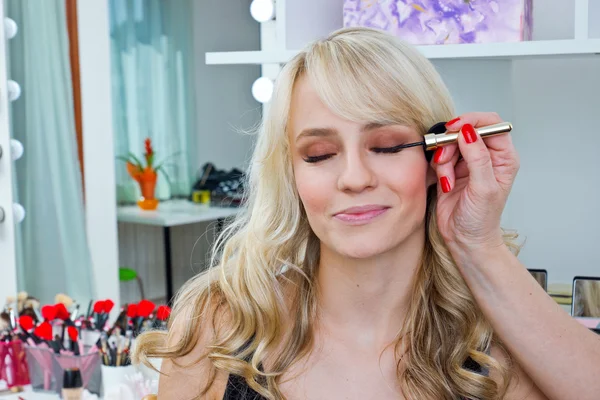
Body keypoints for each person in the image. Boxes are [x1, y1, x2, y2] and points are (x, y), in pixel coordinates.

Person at [133, 27, 600, 399]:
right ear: (291, 175)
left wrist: (480, 246)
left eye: (388, 145)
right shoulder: (220, 325)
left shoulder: (496, 349)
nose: (354, 177)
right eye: (318, 154)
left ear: (438, 158)